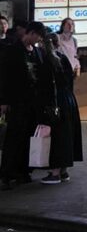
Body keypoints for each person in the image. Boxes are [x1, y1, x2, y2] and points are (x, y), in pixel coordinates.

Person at [0, 22, 46, 189]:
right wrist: (4, 101)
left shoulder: (37, 52)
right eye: (37, 36)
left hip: (33, 101)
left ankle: (23, 170)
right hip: (17, 101)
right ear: (30, 33)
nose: (38, 40)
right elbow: (5, 77)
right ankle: (6, 172)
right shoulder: (13, 51)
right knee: (14, 137)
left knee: (28, 136)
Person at [39, 34, 83, 185]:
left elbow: (45, 86)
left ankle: (55, 172)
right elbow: (70, 79)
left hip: (55, 101)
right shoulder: (62, 58)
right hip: (68, 100)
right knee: (66, 135)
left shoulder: (46, 62)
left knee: (56, 136)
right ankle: (63, 171)